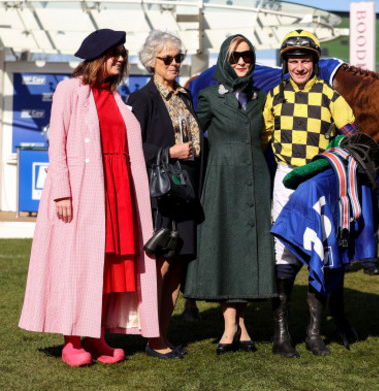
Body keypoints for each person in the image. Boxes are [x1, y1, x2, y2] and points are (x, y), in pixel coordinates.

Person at [19, 29, 159, 367]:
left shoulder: (117, 98)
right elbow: (59, 143)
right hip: (82, 193)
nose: (121, 58)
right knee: (76, 265)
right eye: (114, 52)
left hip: (117, 192)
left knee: (110, 265)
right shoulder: (69, 90)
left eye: (123, 52)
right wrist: (62, 192)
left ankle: (97, 336)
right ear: (96, 57)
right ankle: (71, 340)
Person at [262, 29, 357, 357]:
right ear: (285, 63)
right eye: (293, 60)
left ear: (315, 63)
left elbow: (350, 133)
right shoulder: (273, 95)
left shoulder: (331, 97)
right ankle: (281, 334)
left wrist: (342, 146)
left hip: (317, 178)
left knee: (321, 248)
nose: (299, 66)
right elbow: (264, 137)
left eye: (305, 60)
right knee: (283, 252)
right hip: (286, 176)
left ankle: (314, 333)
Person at [183, 34, 276, 355]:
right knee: (227, 251)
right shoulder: (209, 96)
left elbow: (268, 137)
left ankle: (241, 324)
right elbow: (193, 134)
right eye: (235, 56)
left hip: (255, 179)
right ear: (224, 58)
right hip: (221, 183)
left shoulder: (263, 97)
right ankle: (230, 327)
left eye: (247, 56)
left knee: (248, 254)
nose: (242, 62)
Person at [128, 30, 203, 359]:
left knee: (177, 264)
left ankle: (161, 336)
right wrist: (169, 151)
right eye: (167, 59)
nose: (174, 63)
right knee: (159, 264)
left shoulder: (185, 97)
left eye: (178, 58)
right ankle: (153, 337)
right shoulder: (142, 99)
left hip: (186, 190)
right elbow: (132, 146)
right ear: (151, 62)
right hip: (160, 192)